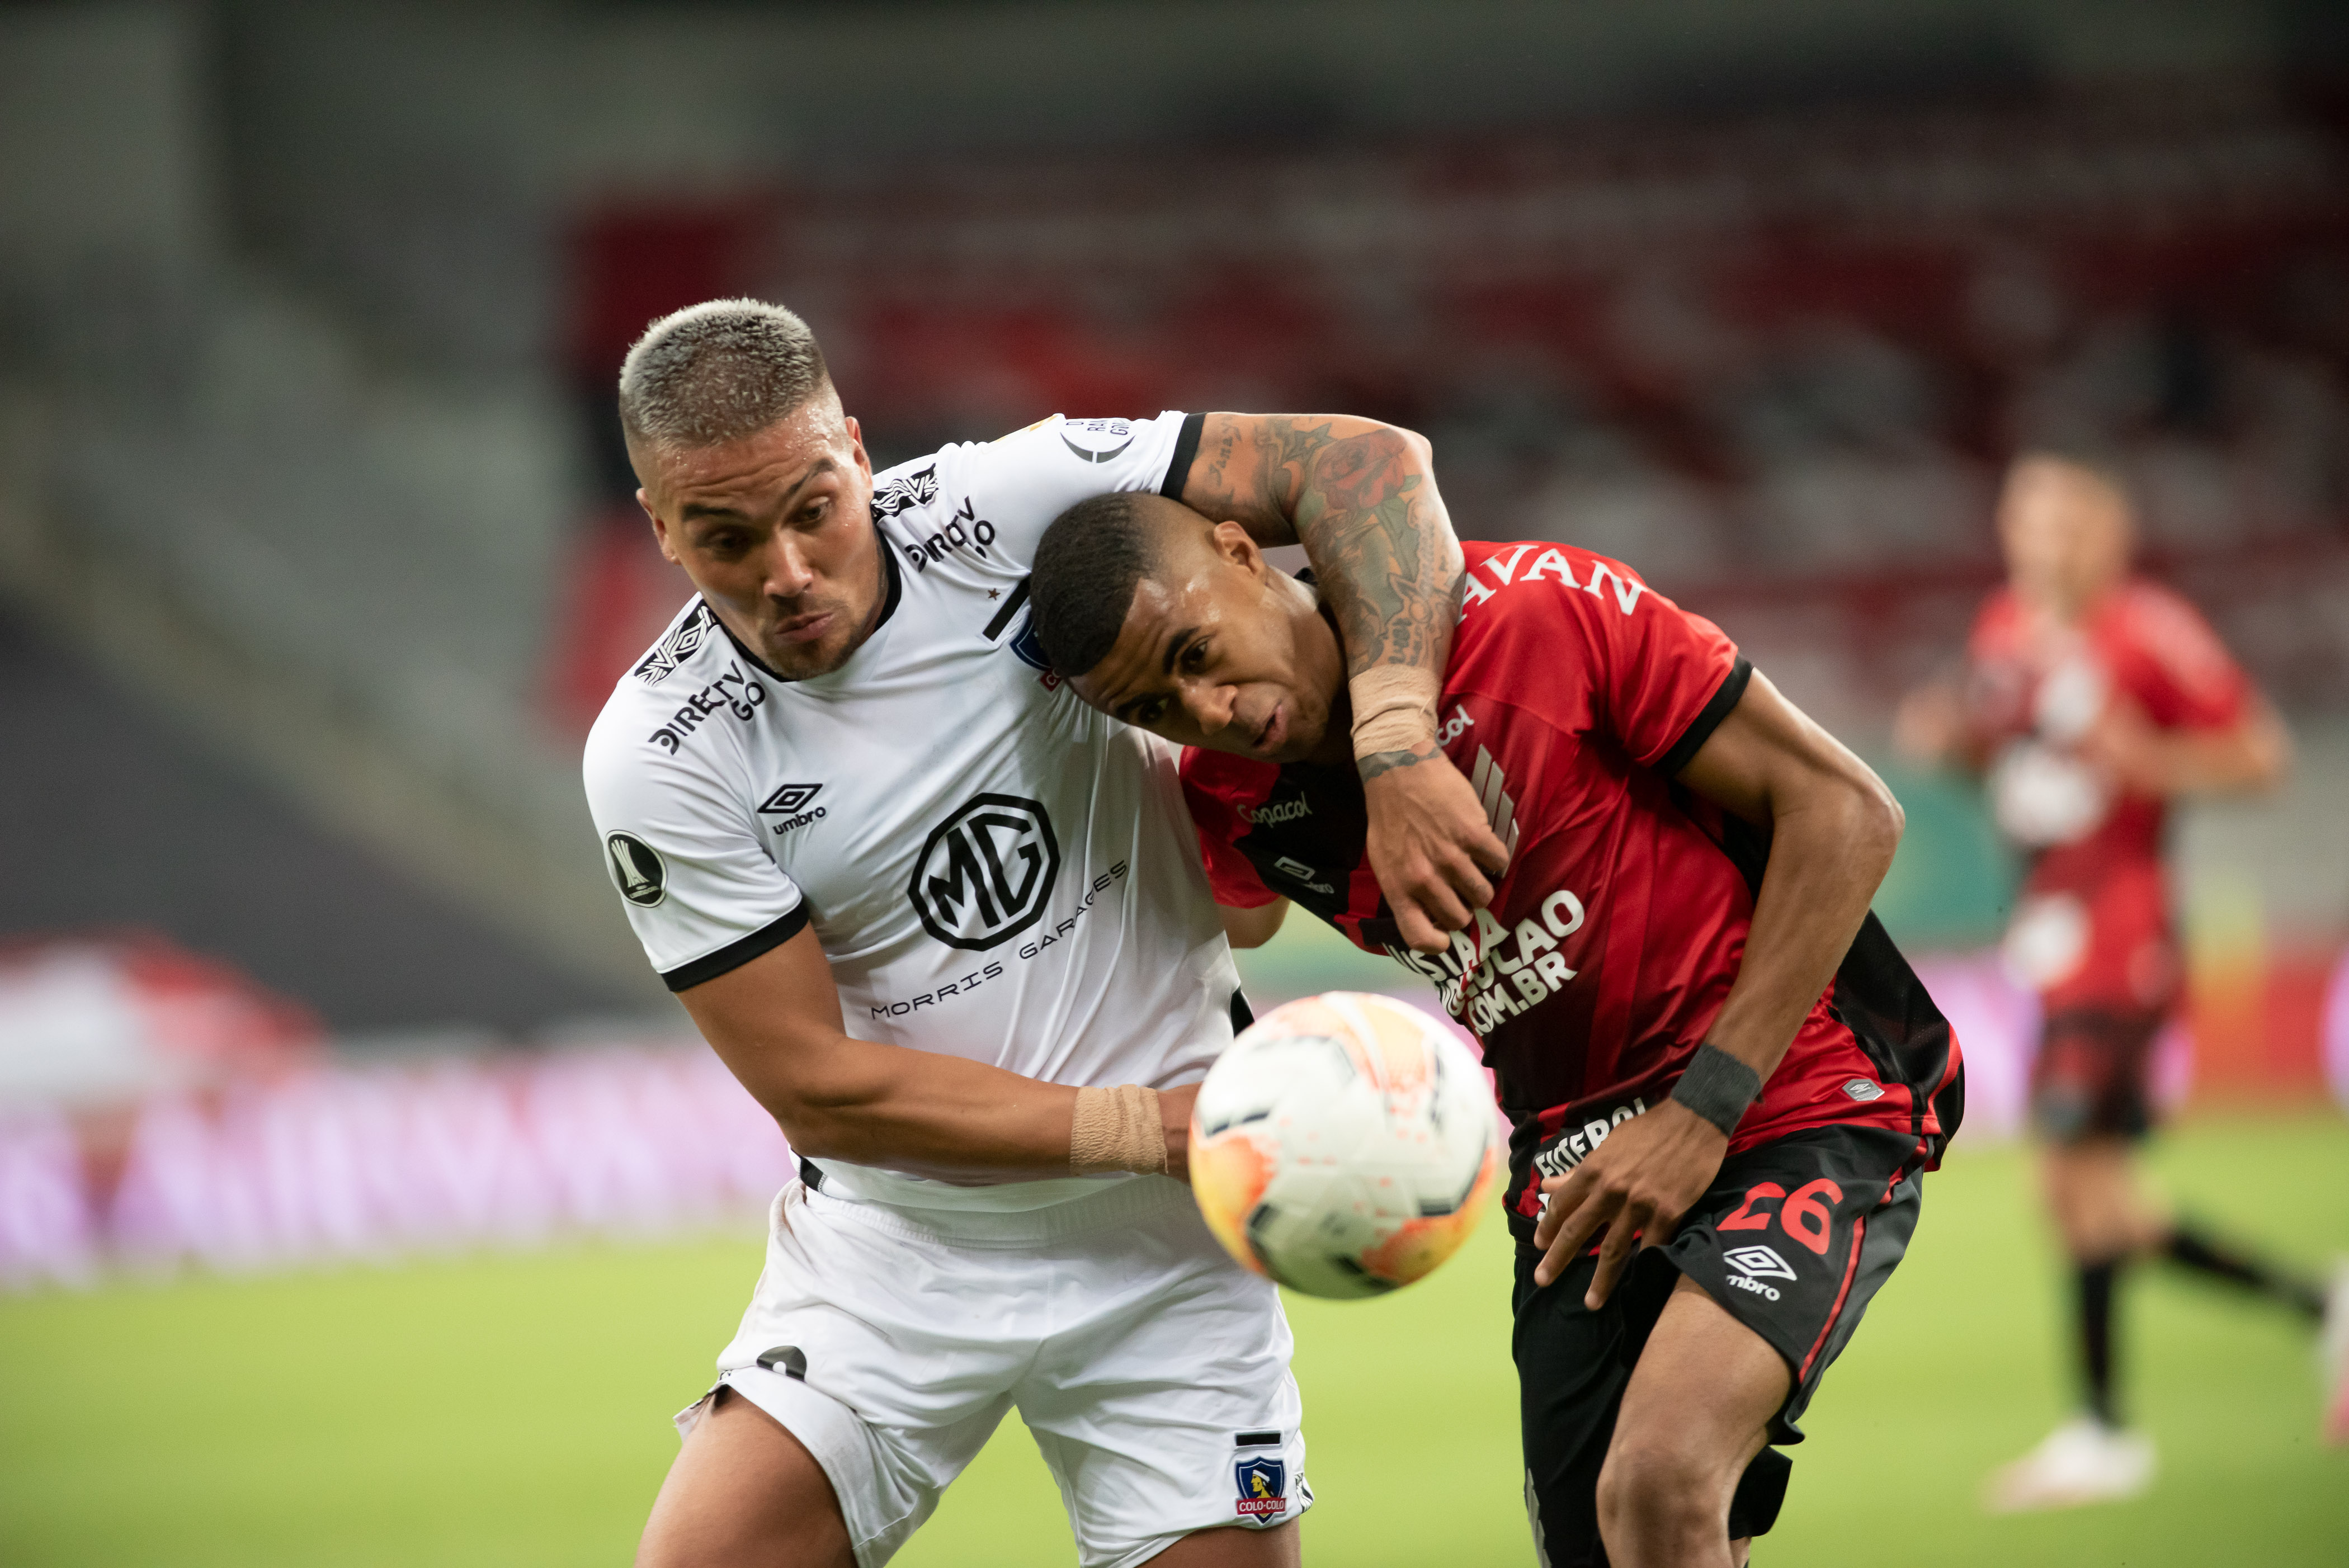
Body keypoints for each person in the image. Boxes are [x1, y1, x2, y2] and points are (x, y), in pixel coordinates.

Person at [582, 299, 1508, 1568]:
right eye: (727, 538)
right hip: (902, 1251)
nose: (788, 573)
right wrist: (1162, 1129)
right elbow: (820, 1090)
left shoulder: (1001, 505)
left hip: (1171, 1251)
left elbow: (1368, 464)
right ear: (660, 528)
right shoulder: (660, 749)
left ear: (858, 451)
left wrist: (1394, 744)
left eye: (815, 509)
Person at [1025, 493, 1963, 1568]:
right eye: (1159, 705)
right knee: (1613, 1546)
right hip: (1570, 1179)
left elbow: (1848, 813)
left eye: (1197, 652)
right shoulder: (1231, 795)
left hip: (1786, 1096)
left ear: (1243, 554)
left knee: (1661, 1479)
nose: (1213, 709)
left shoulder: (1533, 618)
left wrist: (1703, 1114)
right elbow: (1239, 912)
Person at [1892, 452, 2348, 1509]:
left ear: (2108, 530)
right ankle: (2316, 1308)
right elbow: (2008, 765)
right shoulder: (2004, 631)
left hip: (2124, 931)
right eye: (2024, 518)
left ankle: (2106, 1431)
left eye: (2060, 518)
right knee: (2095, 1195)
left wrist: (2153, 759)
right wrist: (1950, 742)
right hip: (2050, 931)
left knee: (2073, 1179)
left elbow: (2261, 754)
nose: (2040, 538)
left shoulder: (2150, 629)